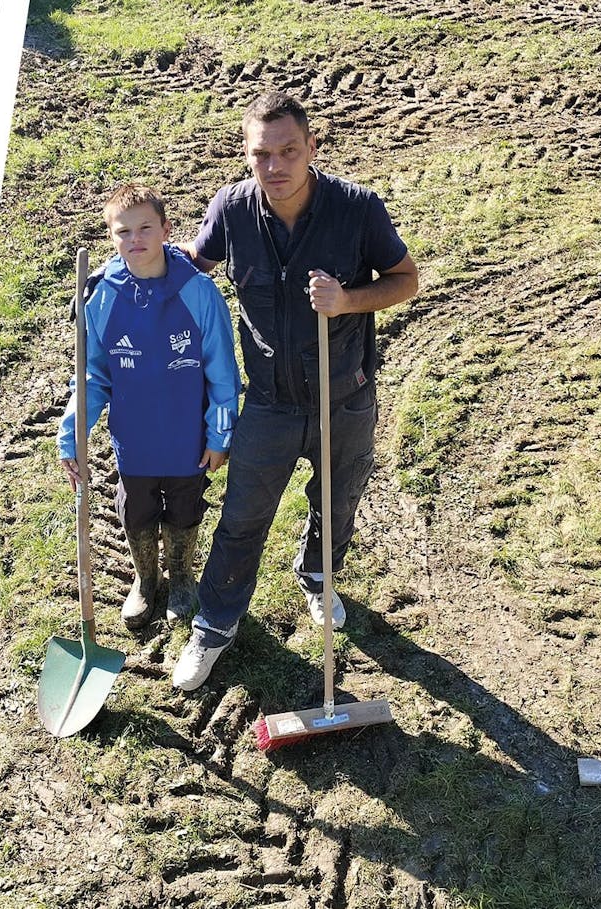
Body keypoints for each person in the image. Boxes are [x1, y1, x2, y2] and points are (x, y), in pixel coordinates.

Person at [170, 92, 420, 691]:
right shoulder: (231, 210)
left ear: (312, 146)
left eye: (288, 151)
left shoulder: (357, 210)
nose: (276, 166)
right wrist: (133, 262)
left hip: (345, 396)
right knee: (242, 517)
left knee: (335, 506)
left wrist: (349, 300)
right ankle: (214, 623)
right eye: (262, 155)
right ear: (248, 157)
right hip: (269, 403)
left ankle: (317, 576)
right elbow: (195, 263)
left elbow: (407, 279)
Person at [57, 183, 239, 630]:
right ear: (111, 238)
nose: (134, 240)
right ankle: (145, 580)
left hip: (187, 441)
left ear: (166, 229)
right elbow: (92, 377)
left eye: (144, 228)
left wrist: (220, 435)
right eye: (122, 232)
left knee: (184, 508)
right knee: (136, 509)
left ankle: (181, 578)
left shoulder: (198, 293)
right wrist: (72, 434)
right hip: (134, 442)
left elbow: (223, 375)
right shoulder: (100, 296)